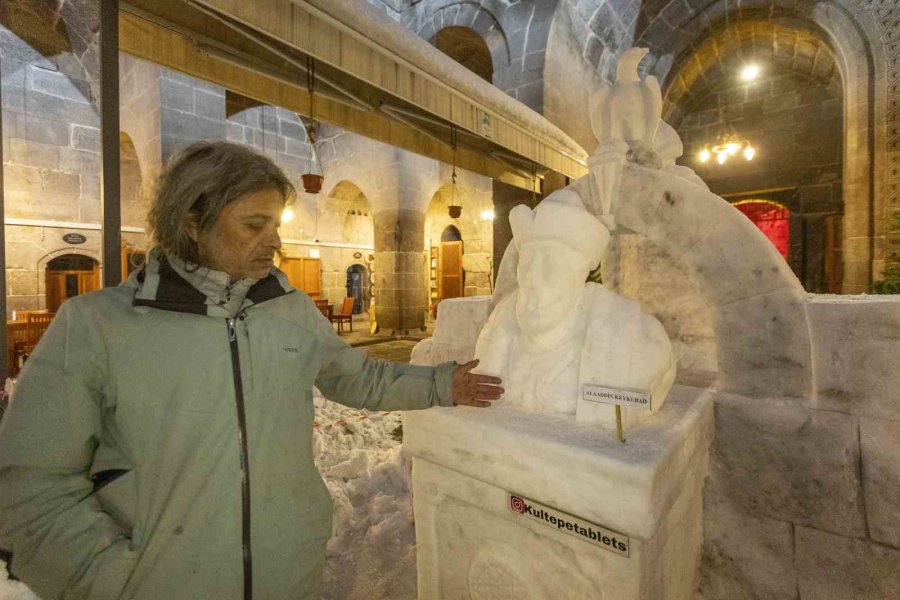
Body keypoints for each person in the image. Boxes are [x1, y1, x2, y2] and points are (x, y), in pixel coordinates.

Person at [0, 140, 503, 600]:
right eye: (253, 225)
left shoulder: (288, 310)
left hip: (289, 575)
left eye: (276, 224)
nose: (275, 242)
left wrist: (441, 383)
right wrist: (108, 579)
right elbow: (33, 483)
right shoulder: (97, 327)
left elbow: (357, 377)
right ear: (193, 221)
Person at [474, 188, 674, 423]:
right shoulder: (500, 325)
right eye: (527, 261)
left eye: (549, 263)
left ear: (578, 276)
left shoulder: (636, 338)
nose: (531, 278)